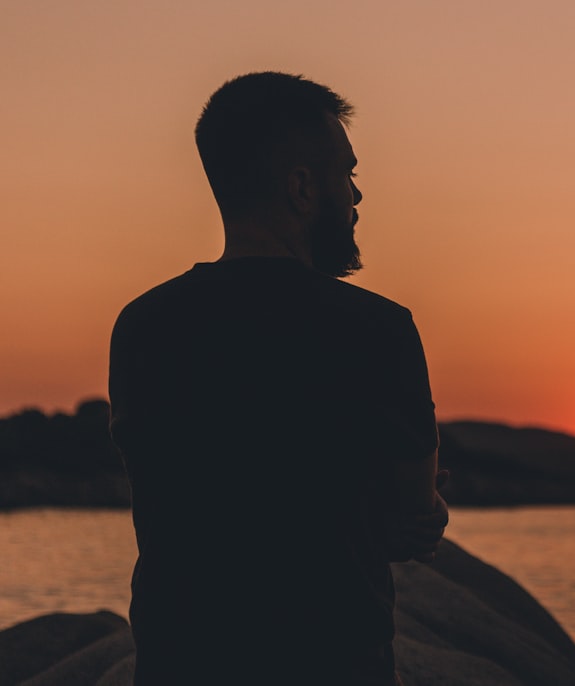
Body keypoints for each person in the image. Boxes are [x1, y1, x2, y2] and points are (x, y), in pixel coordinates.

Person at [108, 71, 448, 685]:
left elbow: (173, 496)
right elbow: (411, 519)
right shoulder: (379, 331)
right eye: (348, 174)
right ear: (301, 188)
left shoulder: (142, 326)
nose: (357, 196)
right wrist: (397, 512)